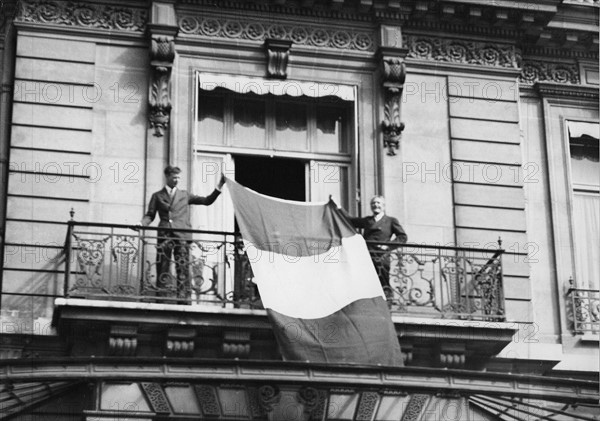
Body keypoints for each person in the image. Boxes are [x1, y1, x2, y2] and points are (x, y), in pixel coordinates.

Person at [141, 165, 225, 303]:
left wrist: (219, 185)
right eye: (174, 177)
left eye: (178, 178)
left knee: (183, 267)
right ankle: (160, 299)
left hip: (182, 235)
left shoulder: (185, 195)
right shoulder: (157, 196)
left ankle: (183, 300)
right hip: (165, 235)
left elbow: (207, 201)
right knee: (162, 266)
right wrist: (140, 224)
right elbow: (149, 215)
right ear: (167, 177)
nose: (176, 180)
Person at [341, 196, 407, 293]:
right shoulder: (368, 220)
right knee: (366, 282)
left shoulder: (391, 220)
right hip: (367, 255)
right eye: (373, 203)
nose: (376, 205)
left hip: (382, 256)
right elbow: (350, 220)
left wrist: (388, 245)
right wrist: (338, 207)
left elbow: (402, 237)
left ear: (383, 206)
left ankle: (387, 302)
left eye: (378, 203)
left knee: (383, 282)